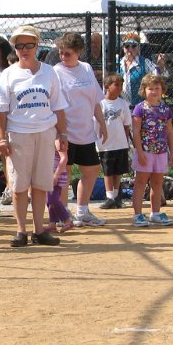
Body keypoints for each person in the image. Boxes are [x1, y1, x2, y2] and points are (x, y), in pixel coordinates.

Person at [0, 24, 69, 247]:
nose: (24, 50)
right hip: (19, 133)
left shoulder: (49, 72)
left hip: (45, 132)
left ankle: (39, 230)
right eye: (19, 46)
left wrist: (62, 133)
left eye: (29, 45)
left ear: (37, 45)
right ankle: (21, 230)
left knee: (40, 183)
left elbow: (58, 105)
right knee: (19, 184)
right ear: (14, 48)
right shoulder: (9, 74)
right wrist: (2, 137)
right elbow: (1, 109)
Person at [53, 32, 108, 227]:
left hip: (85, 130)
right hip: (65, 131)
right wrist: (59, 132)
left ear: (78, 52)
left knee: (92, 170)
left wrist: (101, 123)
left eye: (67, 53)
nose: (63, 57)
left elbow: (94, 100)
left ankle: (82, 211)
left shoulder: (86, 68)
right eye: (61, 53)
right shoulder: (56, 71)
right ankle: (61, 213)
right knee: (64, 174)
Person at [131, 74, 173, 227]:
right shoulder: (139, 109)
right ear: (144, 90)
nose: (154, 92)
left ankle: (155, 213)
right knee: (141, 182)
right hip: (145, 151)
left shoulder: (165, 109)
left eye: (157, 88)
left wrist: (172, 152)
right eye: (150, 89)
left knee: (157, 182)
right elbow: (135, 132)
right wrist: (140, 152)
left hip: (161, 152)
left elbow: (170, 132)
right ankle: (137, 215)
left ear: (162, 90)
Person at [97, 73, 132, 209]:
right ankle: (109, 197)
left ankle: (117, 197)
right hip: (105, 145)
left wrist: (126, 142)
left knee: (118, 171)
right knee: (108, 171)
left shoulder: (123, 104)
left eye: (121, 85)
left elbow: (126, 125)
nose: (119, 88)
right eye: (116, 85)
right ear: (107, 86)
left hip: (120, 143)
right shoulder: (100, 104)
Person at [118, 31, 167, 106]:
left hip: (140, 105)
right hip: (121, 105)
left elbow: (158, 76)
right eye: (127, 46)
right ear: (123, 48)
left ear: (138, 47)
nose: (130, 49)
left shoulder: (144, 62)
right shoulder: (117, 63)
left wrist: (161, 66)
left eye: (133, 46)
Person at [46, 146, 73, 233]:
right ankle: (52, 224)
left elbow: (64, 158)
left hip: (55, 175)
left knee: (53, 200)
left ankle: (67, 220)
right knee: (49, 200)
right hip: (48, 173)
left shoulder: (57, 139)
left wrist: (56, 175)